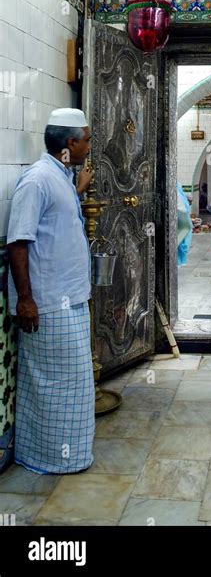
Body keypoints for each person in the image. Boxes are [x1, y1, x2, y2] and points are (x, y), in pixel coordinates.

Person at [7, 108, 95, 474]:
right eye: (86, 140)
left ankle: (70, 455)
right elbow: (18, 242)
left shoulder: (59, 176)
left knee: (73, 383)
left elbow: (55, 224)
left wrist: (78, 190)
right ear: (70, 142)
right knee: (56, 385)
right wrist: (26, 299)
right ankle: (49, 458)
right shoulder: (37, 179)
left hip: (70, 297)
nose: (89, 147)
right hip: (48, 303)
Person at [177, 183, 193, 266]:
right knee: (179, 240)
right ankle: (178, 261)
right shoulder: (174, 185)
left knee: (183, 239)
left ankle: (180, 261)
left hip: (182, 215)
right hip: (179, 216)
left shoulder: (177, 185)